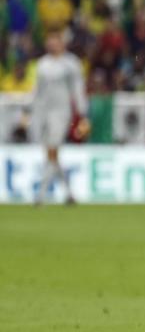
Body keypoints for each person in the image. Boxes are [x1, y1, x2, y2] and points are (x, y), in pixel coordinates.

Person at [31, 30, 89, 205]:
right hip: (43, 112)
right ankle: (69, 193)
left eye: (54, 40)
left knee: (52, 149)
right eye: (49, 40)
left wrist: (83, 113)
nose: (51, 44)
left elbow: (78, 89)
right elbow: (37, 91)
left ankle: (40, 195)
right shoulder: (42, 64)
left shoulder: (71, 63)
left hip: (61, 112)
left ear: (61, 42)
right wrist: (32, 113)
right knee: (50, 154)